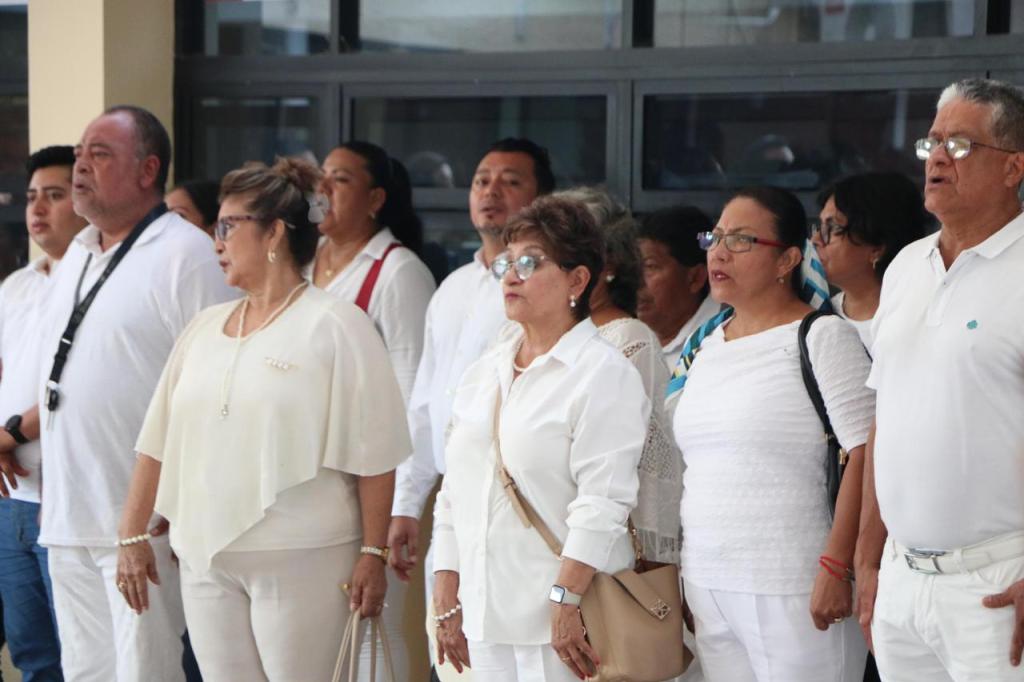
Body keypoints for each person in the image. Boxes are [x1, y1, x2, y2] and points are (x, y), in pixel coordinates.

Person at [114, 157, 411, 682]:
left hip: (304, 552)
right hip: (205, 556)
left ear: (274, 232)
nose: (216, 242)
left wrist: (372, 552)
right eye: (216, 227)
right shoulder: (203, 328)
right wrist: (131, 535)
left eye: (228, 227)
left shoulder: (337, 324)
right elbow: (156, 439)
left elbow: (376, 451)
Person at [36, 106, 234, 682]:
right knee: (84, 673)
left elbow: (216, 389)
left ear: (148, 170)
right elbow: (69, 374)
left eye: (99, 155)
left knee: (146, 673)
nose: (80, 166)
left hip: (143, 525)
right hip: (68, 514)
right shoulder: (77, 253)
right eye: (80, 154)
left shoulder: (188, 254)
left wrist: (167, 510)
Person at [432, 195, 649, 681]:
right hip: (480, 615)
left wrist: (564, 600)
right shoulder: (487, 368)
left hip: (562, 622)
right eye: (506, 263)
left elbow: (603, 501)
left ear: (577, 280)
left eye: (530, 262)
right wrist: (446, 588)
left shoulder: (602, 372)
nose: (511, 275)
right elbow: (455, 489)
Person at [855, 78, 1024, 682]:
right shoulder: (905, 265)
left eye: (959, 144)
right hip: (902, 581)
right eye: (931, 144)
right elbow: (886, 419)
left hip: (998, 582)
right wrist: (868, 560)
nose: (938, 159)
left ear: (1013, 167)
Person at [673, 186, 875, 682]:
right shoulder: (708, 346)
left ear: (787, 259)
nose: (719, 253)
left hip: (794, 582)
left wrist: (838, 565)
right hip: (708, 582)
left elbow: (866, 451)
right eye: (715, 238)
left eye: (741, 240)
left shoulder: (821, 336)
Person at [386, 138, 553, 680]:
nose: (491, 191)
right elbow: (424, 405)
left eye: (511, 181)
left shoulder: (543, 290)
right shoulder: (453, 288)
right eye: (482, 180)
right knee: (454, 665)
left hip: (520, 512)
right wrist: (406, 503)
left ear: (540, 198)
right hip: (453, 508)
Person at [0, 145, 87, 682]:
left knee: (83, 657)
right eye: (32, 196)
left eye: (54, 195)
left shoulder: (90, 282)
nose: (37, 208)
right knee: (31, 656)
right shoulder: (18, 284)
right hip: (12, 497)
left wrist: (7, 436)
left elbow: (73, 384)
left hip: (65, 495)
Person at [310, 141, 435, 402]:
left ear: (375, 199)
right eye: (321, 177)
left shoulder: (399, 271)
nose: (322, 189)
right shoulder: (303, 258)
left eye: (340, 179)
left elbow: (410, 382)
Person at [811, 172, 929, 349]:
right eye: (819, 226)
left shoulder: (922, 318)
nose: (816, 240)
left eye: (832, 227)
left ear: (877, 247)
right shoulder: (818, 318)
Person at [637, 206, 721, 371]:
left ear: (696, 278)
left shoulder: (721, 339)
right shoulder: (627, 335)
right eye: (633, 266)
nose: (636, 280)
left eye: (650, 266)